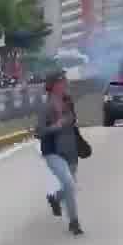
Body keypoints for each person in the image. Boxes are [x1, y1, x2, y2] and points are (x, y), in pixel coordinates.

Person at [37, 71, 84, 235]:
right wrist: (56, 126)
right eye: (63, 81)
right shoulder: (45, 106)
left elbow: (73, 119)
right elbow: (40, 131)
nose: (66, 83)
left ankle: (56, 199)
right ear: (55, 85)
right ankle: (74, 222)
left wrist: (68, 120)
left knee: (69, 186)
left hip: (70, 148)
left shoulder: (68, 101)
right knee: (70, 185)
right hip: (53, 151)